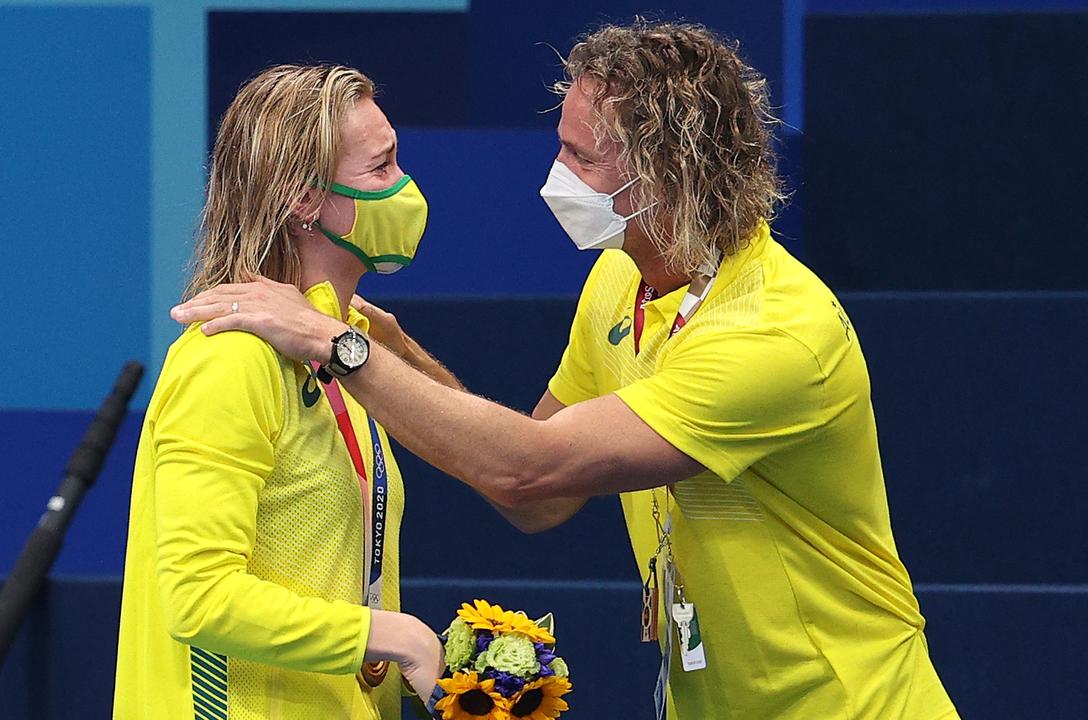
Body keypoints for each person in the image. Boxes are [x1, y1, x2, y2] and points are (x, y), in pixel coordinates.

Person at [171, 21, 961, 720]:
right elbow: (539, 500)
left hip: (850, 703)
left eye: (580, 155)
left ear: (664, 175)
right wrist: (401, 355)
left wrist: (342, 350)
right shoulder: (619, 278)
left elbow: (527, 470)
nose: (554, 174)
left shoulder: (775, 333)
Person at [113, 64, 446, 720]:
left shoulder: (343, 351)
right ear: (304, 200)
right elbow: (201, 599)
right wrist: (392, 635)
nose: (406, 188)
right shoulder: (231, 358)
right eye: (382, 168)